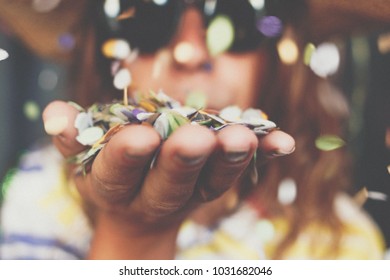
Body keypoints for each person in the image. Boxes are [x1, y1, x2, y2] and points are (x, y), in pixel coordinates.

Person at [0, 0, 387, 259]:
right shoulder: (43, 191)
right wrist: (133, 237)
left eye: (234, 15)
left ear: (279, 55)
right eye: (149, 14)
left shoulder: (339, 240)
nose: (189, 52)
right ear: (105, 51)